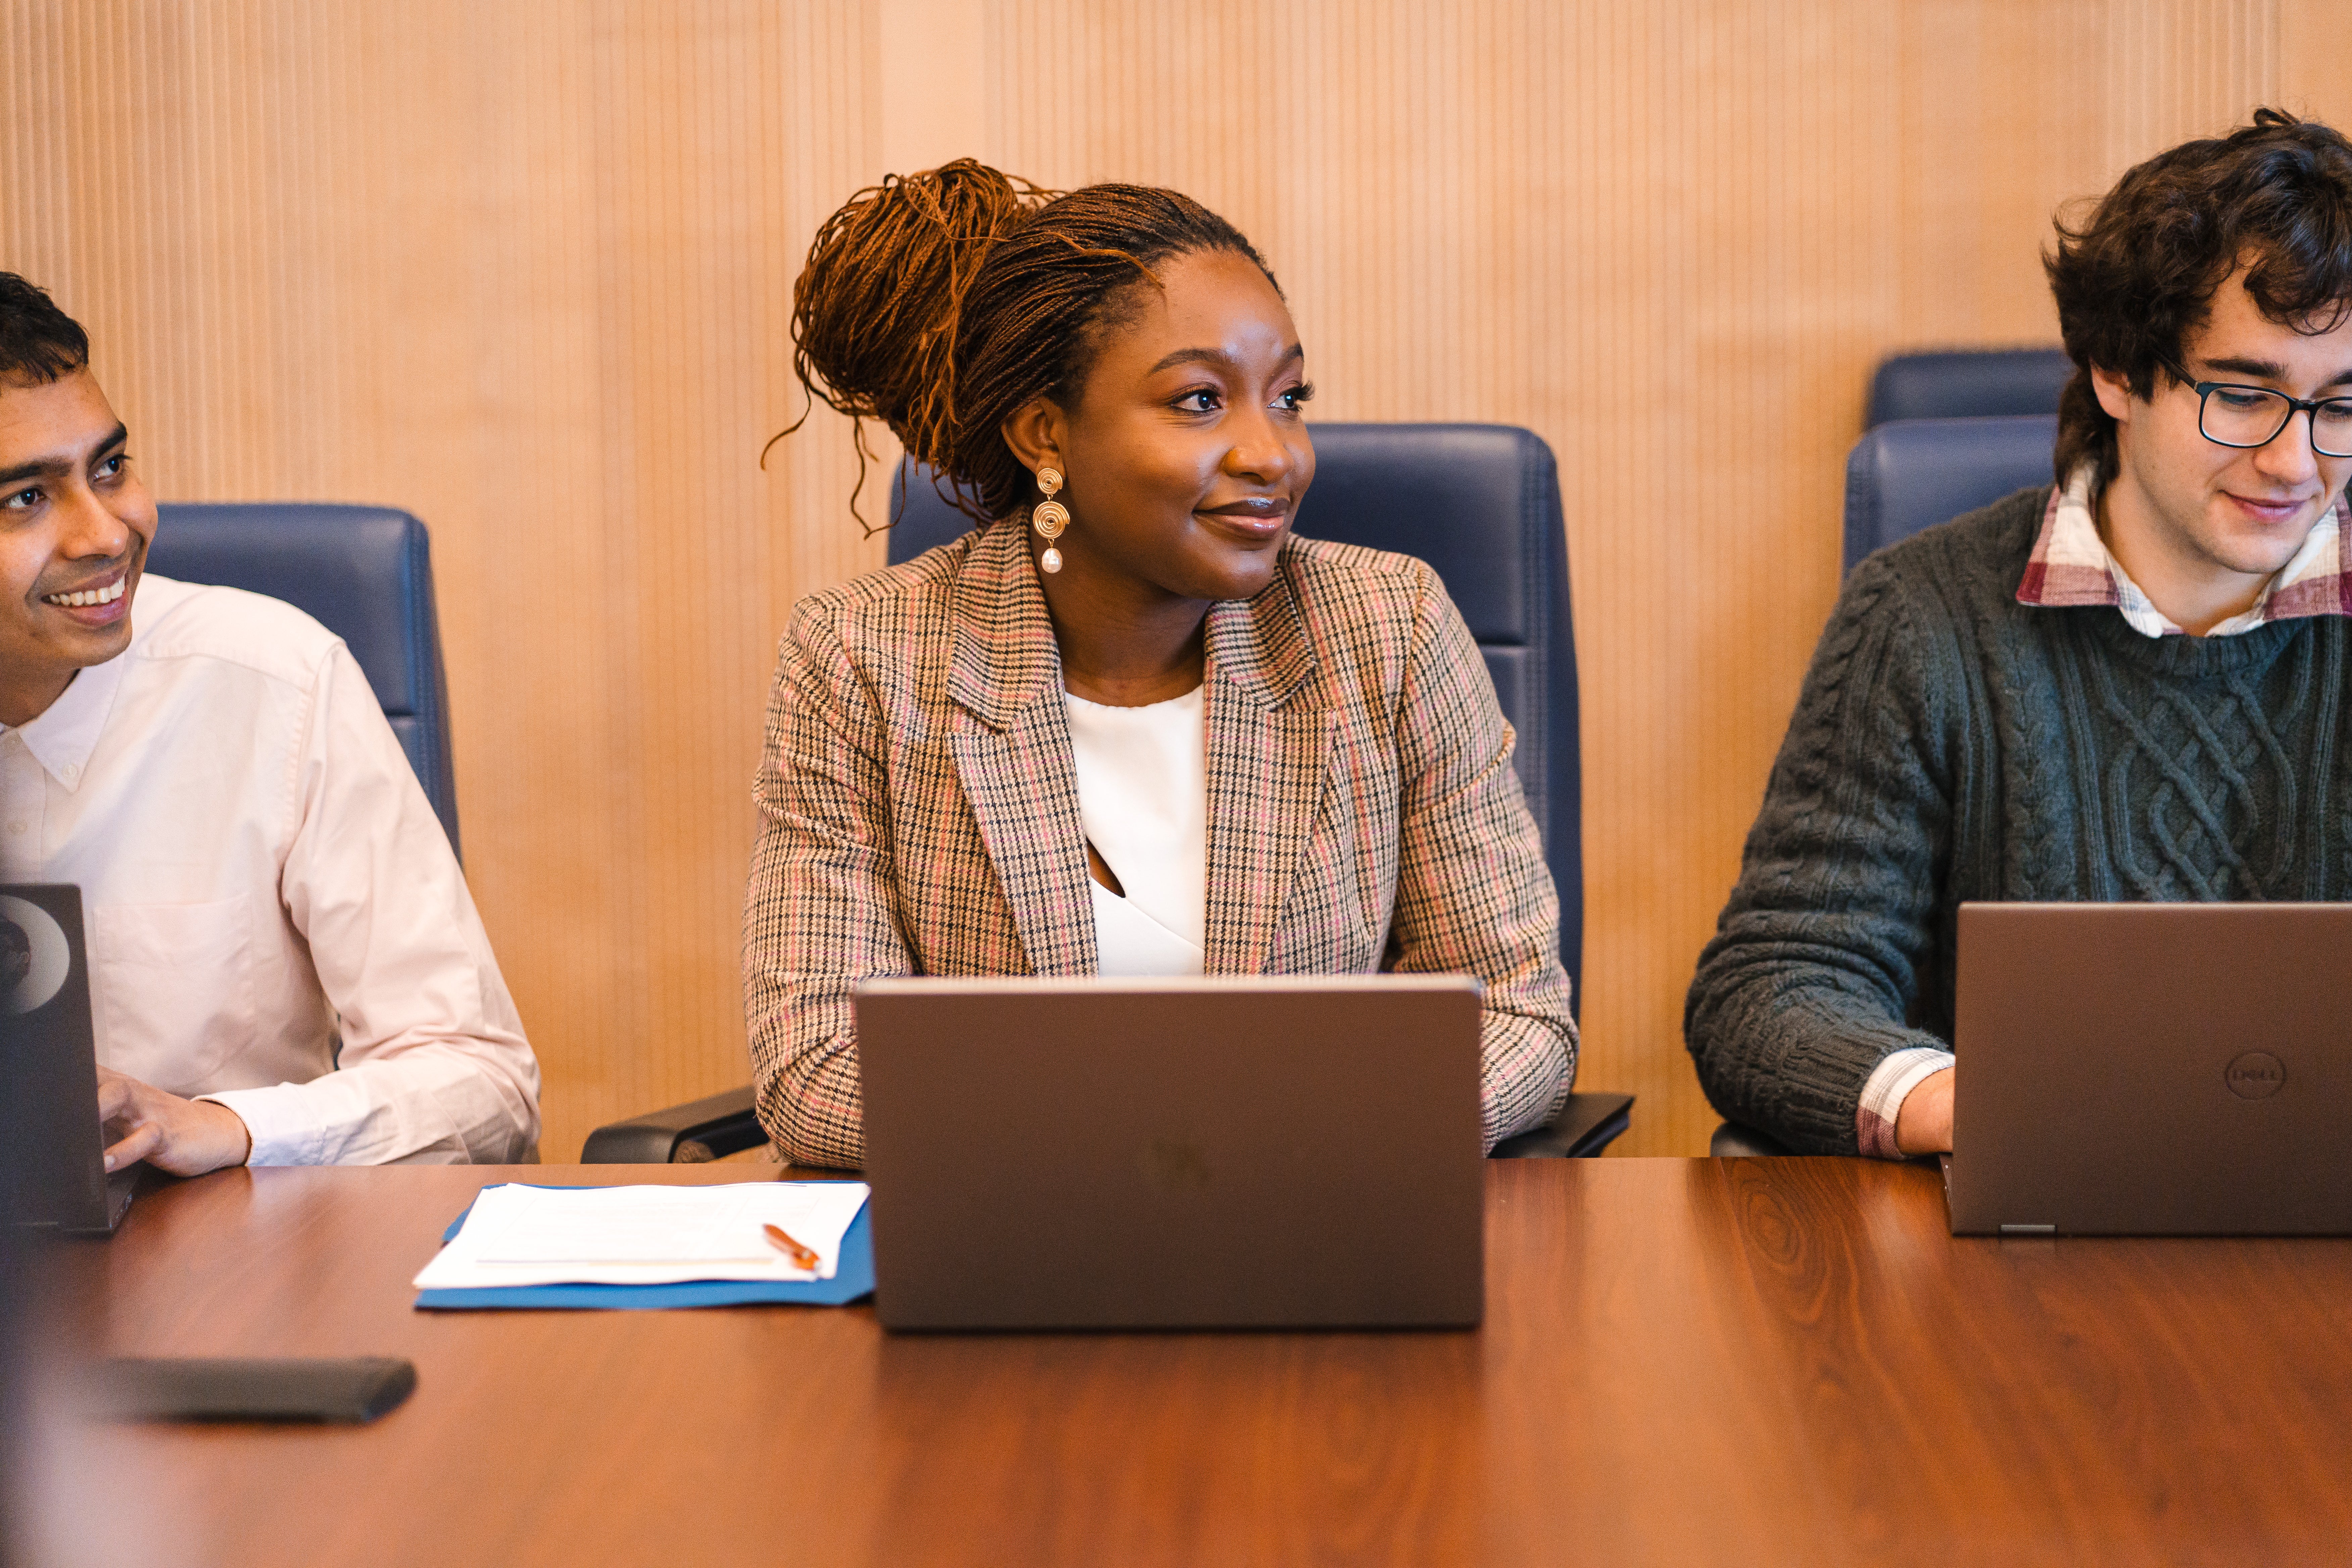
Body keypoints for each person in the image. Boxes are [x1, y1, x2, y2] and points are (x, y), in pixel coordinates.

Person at [748, 161, 1574, 1167]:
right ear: (1045, 433)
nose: (1274, 454)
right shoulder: (862, 657)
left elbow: (1518, 1014)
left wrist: (1304, 1145)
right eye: (1199, 401)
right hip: (1009, 1259)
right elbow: (815, 1064)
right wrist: (1155, 1151)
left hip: (1318, 1238)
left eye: (1289, 397)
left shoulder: (1387, 629)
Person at [1687, 108, 2352, 1157]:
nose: (2295, 464)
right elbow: (1774, 988)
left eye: (2341, 407)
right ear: (2117, 373)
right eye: (2242, 395)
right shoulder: (1921, 616)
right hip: (2015, 1246)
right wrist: (1980, 1110)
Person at [0, 272, 540, 1172]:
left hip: (227, 1265)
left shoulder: (271, 678)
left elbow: (483, 1085)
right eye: (24, 498)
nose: (105, 533)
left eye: (109, 468)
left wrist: (224, 1126)